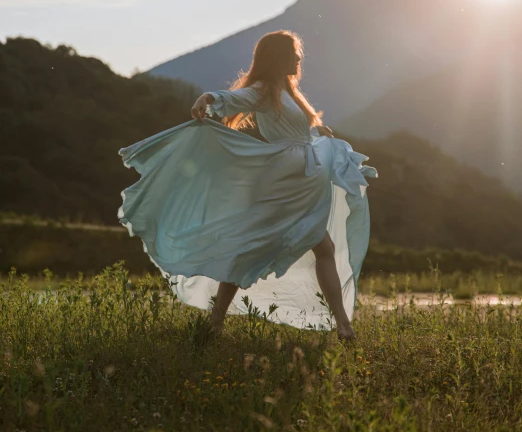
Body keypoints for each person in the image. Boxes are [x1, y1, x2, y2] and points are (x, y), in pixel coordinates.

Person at [118, 30, 376, 341]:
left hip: (300, 182)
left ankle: (341, 325)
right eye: (294, 53)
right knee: (262, 248)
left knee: (316, 247)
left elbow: (296, 129)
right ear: (278, 57)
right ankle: (221, 322)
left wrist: (317, 131)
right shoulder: (265, 89)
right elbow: (238, 98)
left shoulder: (288, 90)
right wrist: (210, 98)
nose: (299, 58)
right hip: (285, 184)